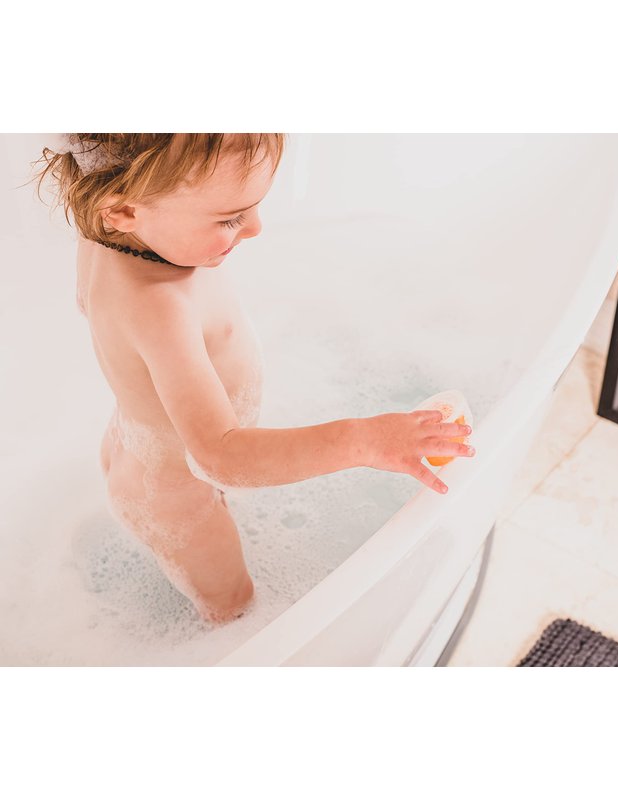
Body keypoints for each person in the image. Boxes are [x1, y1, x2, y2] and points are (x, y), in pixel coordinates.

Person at [32, 133, 476, 625]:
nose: (256, 228)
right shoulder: (159, 307)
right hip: (177, 498)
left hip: (141, 447)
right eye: (230, 218)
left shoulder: (110, 234)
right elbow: (220, 456)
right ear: (124, 211)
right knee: (234, 608)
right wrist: (364, 441)